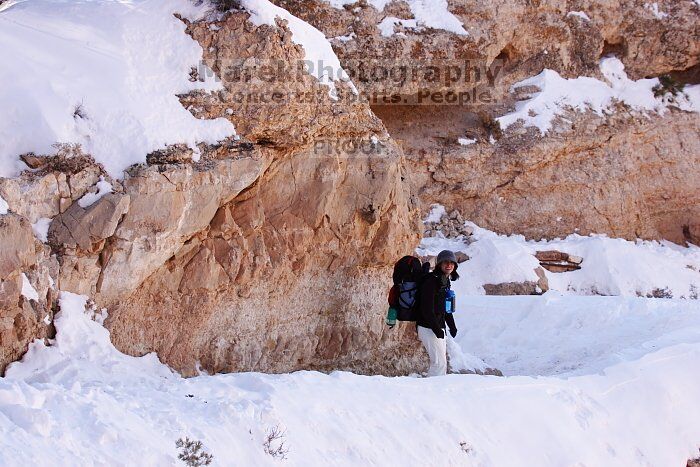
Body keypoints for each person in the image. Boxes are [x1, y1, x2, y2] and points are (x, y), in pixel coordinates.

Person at [416, 249, 459, 377]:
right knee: (438, 364)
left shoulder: (444, 282)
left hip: (437, 327)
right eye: (445, 262)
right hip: (427, 327)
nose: (449, 265)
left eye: (452, 263)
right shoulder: (431, 281)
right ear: (439, 264)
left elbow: (445, 308)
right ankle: (431, 393)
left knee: (441, 364)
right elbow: (426, 309)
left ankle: (435, 391)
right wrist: (436, 329)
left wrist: (452, 326)